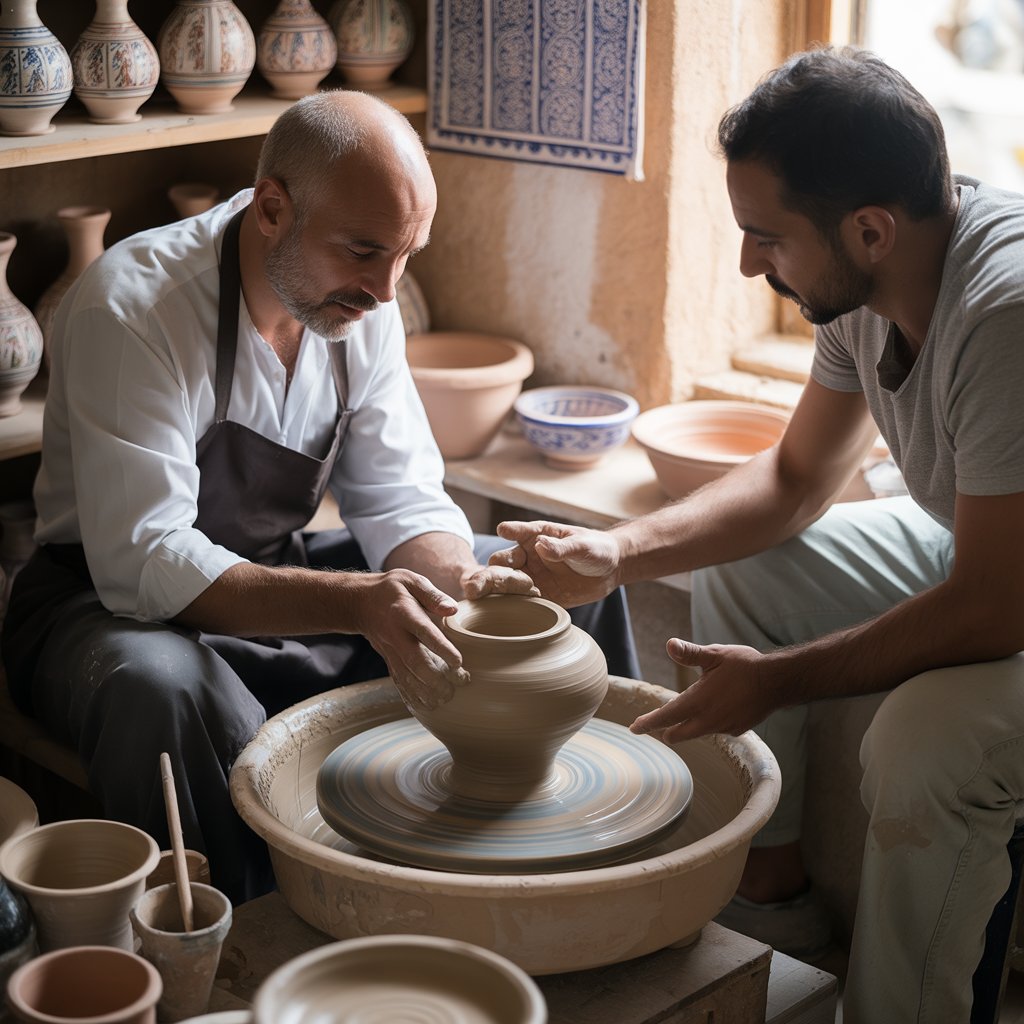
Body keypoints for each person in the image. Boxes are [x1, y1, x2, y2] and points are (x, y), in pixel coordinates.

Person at [488, 46, 1024, 1023]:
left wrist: (775, 679)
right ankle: (772, 899)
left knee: (923, 746)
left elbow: (995, 607)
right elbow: (793, 480)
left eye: (765, 237)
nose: (747, 262)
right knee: (747, 568)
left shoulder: (1004, 313)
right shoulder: (867, 282)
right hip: (993, 549)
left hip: (1007, 585)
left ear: (868, 229)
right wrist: (617, 553)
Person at [0, 90, 639, 906]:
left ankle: (597, 865)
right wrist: (357, 604)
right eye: (364, 251)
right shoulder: (135, 307)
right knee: (165, 686)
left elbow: (400, 496)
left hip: (270, 577)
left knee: (555, 593)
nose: (385, 289)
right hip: (101, 608)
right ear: (272, 209)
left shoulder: (357, 304)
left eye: (405, 255)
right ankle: (254, 936)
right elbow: (147, 561)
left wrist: (465, 585)